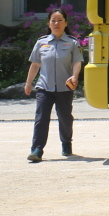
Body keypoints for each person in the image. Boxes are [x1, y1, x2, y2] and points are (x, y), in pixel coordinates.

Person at [24, 8, 84, 162]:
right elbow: (35, 64)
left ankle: (66, 143)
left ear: (65, 23)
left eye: (60, 20)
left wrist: (74, 76)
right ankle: (37, 149)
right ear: (49, 24)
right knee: (41, 118)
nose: (56, 23)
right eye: (53, 20)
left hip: (65, 88)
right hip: (44, 87)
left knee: (65, 118)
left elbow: (77, 62)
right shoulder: (41, 42)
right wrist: (28, 83)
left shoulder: (72, 43)